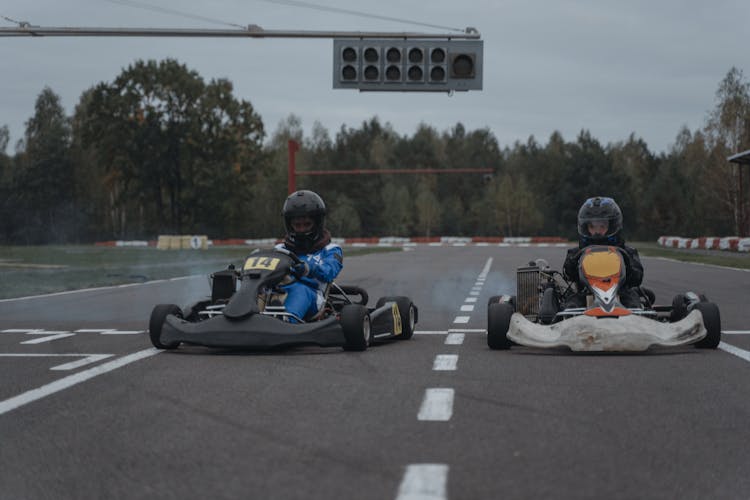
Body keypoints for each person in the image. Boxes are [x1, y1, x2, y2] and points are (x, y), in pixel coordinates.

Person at [562, 196, 644, 308]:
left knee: (634, 306)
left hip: (621, 293)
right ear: (585, 227)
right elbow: (568, 274)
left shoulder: (626, 252)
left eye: (602, 226)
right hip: (586, 293)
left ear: (613, 226)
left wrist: (628, 266)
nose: (597, 232)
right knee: (570, 306)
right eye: (592, 226)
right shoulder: (577, 253)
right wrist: (573, 263)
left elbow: (637, 278)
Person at [275, 190, 343, 322]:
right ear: (290, 225)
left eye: (306, 225)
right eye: (297, 225)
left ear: (317, 224)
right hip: (279, 291)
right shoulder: (280, 249)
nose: (301, 229)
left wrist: (309, 268)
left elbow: (330, 272)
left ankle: (287, 321)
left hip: (313, 296)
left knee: (300, 290)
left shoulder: (330, 249)